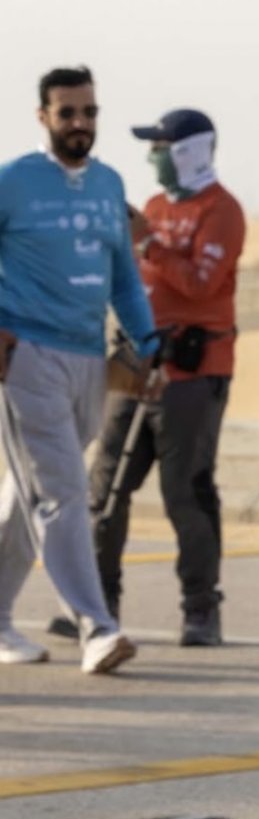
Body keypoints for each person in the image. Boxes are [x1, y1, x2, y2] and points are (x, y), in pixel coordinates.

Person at [0, 66, 158, 674]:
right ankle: (97, 627)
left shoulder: (108, 185)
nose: (79, 123)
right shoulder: (14, 181)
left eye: (88, 112)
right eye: (66, 112)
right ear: (43, 116)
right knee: (65, 489)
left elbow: (124, 279)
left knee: (30, 493)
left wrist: (149, 343)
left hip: (89, 359)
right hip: (27, 358)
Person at [84, 108, 244, 646]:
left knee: (185, 491)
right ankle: (96, 604)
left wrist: (148, 244)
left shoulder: (222, 211)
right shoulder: (153, 208)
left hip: (193, 373)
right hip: (136, 365)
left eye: (160, 147)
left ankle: (201, 608)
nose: (152, 157)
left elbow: (201, 283)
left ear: (187, 152)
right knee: (106, 486)